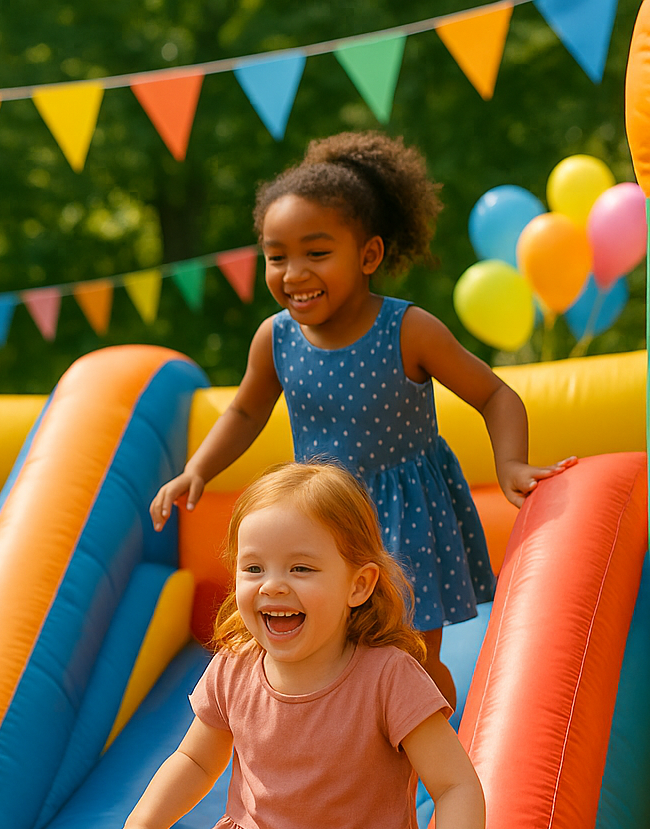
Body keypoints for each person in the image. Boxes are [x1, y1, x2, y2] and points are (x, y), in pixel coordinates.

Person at [150, 131, 574, 708]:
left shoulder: (407, 331)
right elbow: (246, 408)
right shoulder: (275, 339)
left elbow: (496, 395)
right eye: (277, 256)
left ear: (368, 255)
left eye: (316, 253)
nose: (293, 272)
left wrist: (511, 465)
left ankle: (441, 769)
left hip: (405, 520)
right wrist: (196, 468)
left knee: (410, 661)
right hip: (323, 521)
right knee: (335, 662)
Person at [93, 462, 485, 829]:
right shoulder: (235, 668)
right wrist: (141, 825)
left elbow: (457, 788)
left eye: (301, 567)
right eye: (253, 567)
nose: (272, 584)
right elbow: (195, 757)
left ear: (359, 584)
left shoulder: (388, 677)